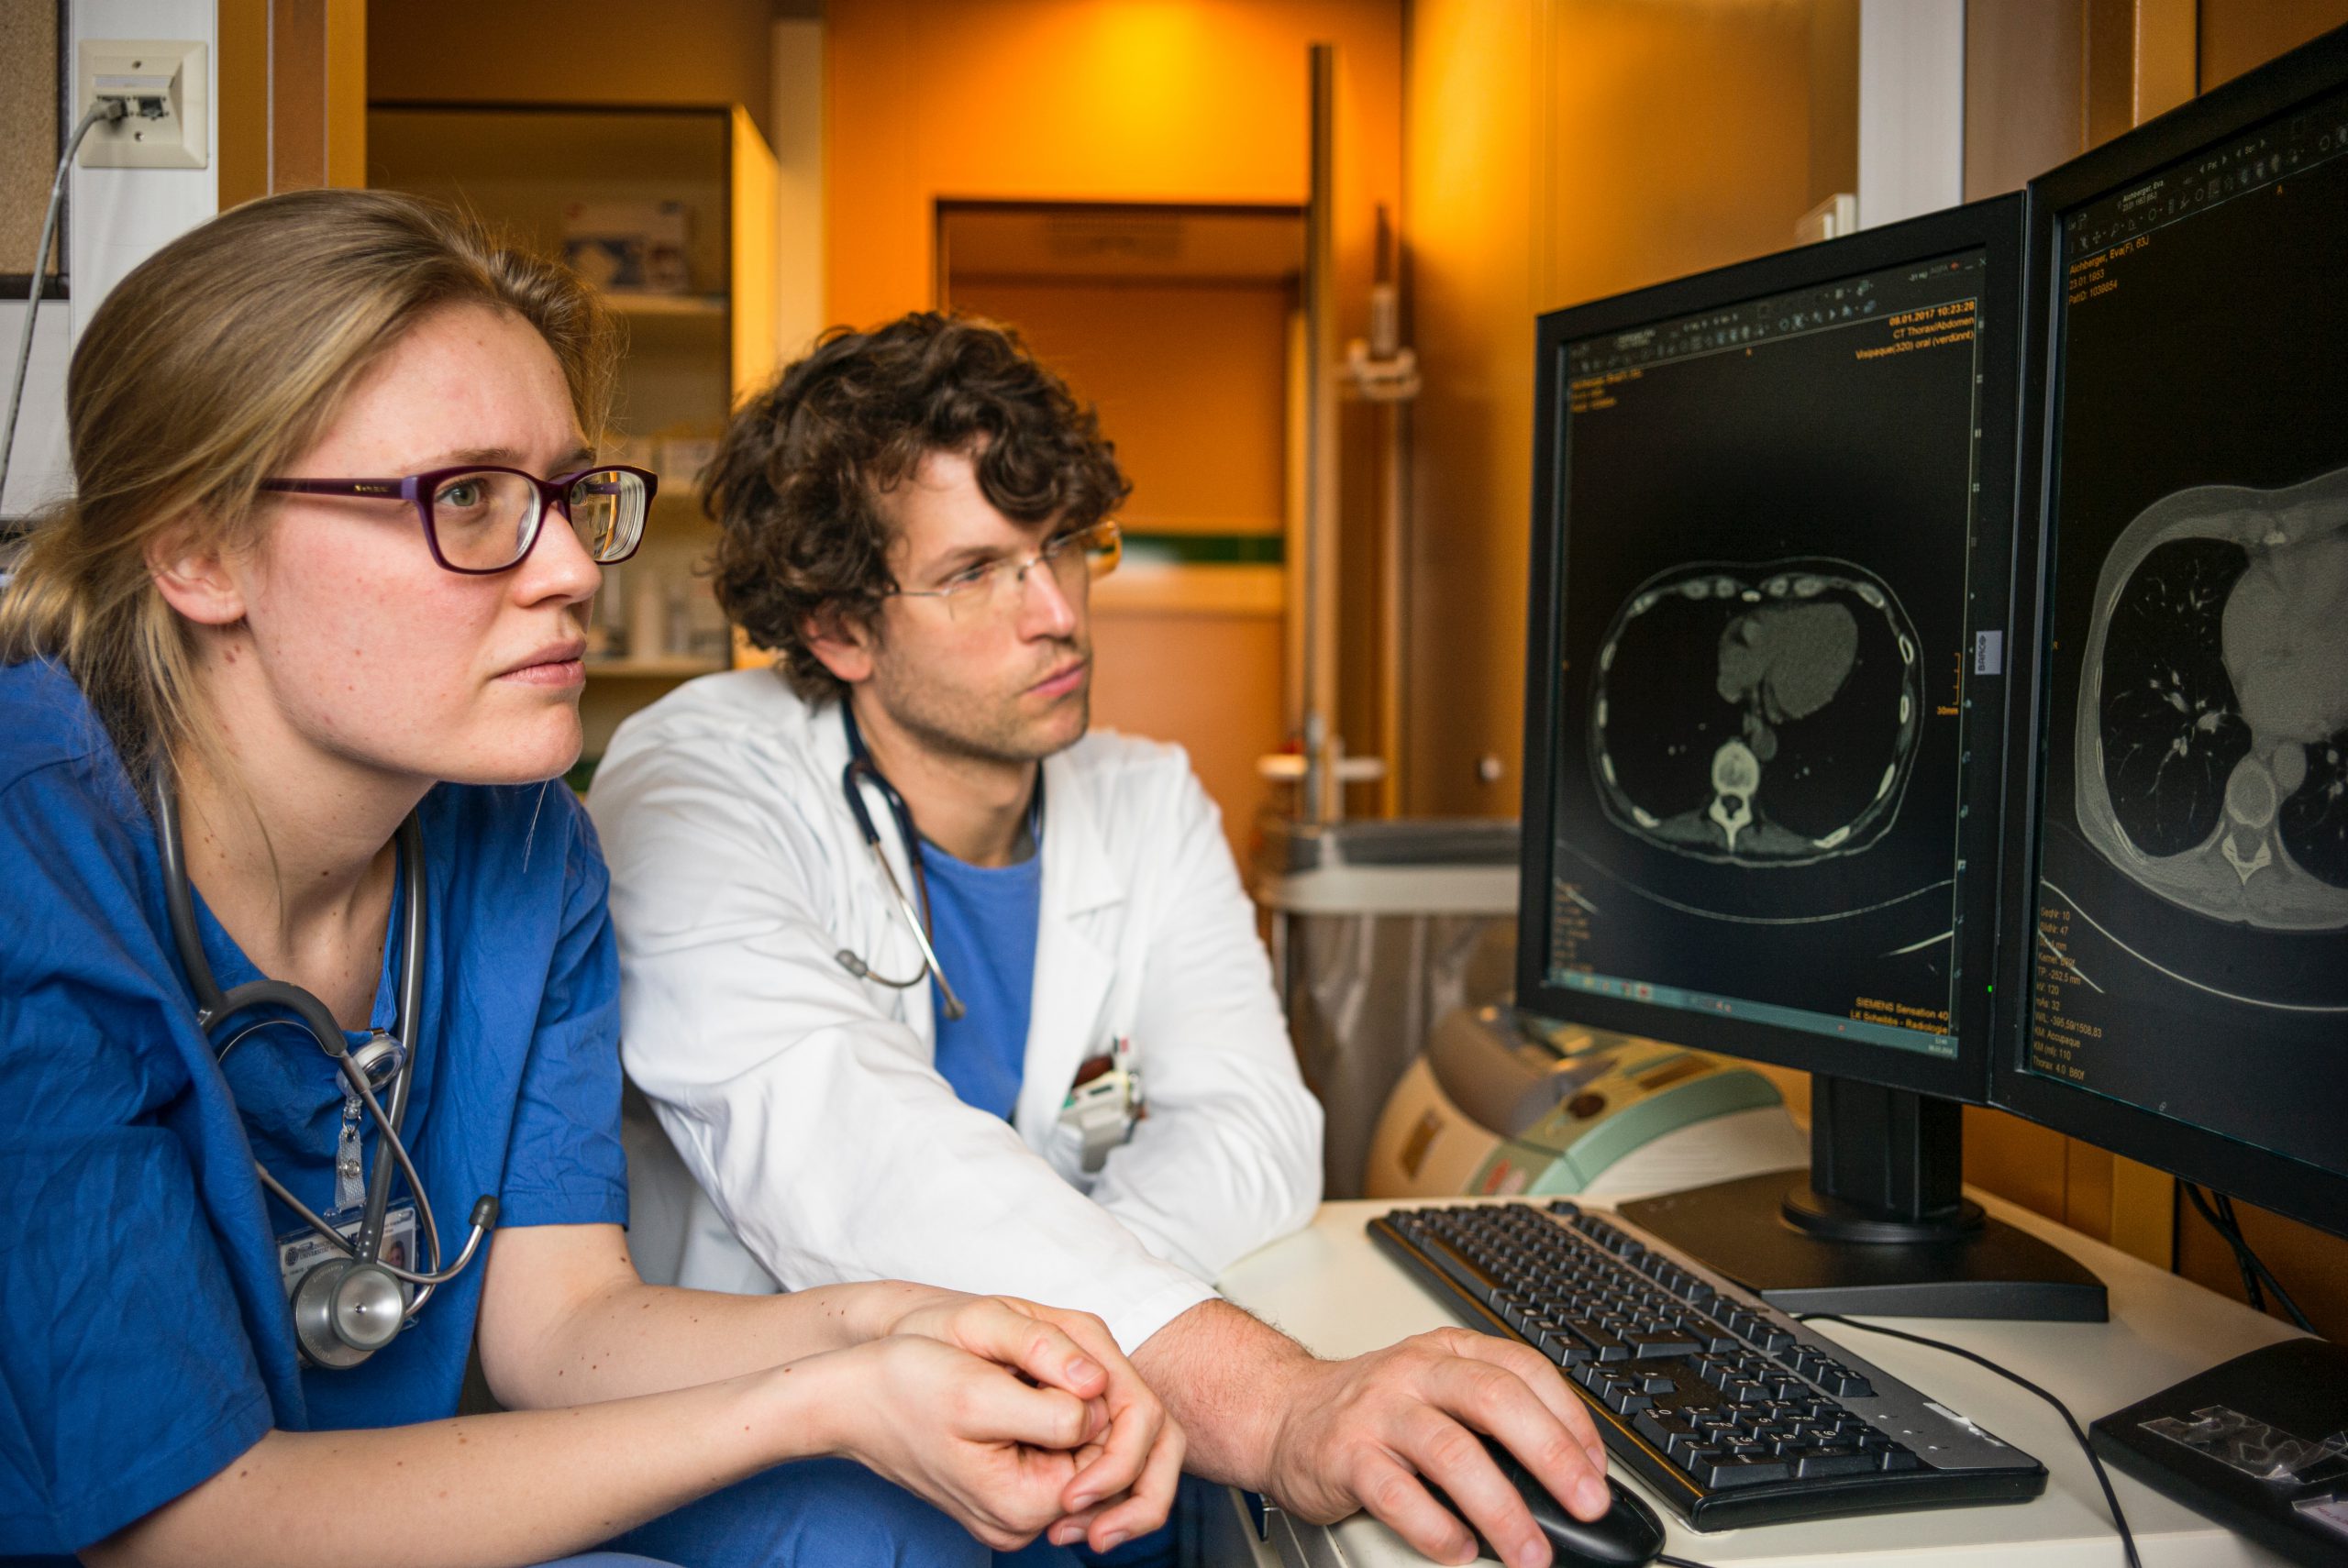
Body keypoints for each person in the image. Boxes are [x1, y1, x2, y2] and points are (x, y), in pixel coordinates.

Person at [0, 193, 1179, 1568]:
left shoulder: (523, 842)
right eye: (468, 499)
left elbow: (558, 1328)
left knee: (903, 1534)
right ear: (197, 546)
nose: (570, 569)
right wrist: (821, 1397)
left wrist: (890, 1326)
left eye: (568, 493)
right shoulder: (36, 869)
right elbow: (189, 1523)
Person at [589, 313, 1612, 1568]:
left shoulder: (1145, 796)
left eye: (1065, 548)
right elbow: (839, 1141)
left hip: (1088, 1430)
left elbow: (1254, 1124)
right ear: (838, 626)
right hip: (796, 1439)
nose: (1057, 613)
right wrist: (1241, 1383)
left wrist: (1081, 1337)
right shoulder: (692, 782)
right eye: (976, 572)